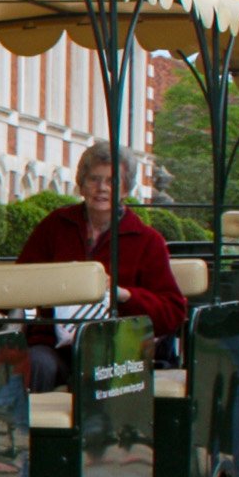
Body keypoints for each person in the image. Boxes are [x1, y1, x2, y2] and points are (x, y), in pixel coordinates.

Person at [14, 142, 188, 391]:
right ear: (82, 184)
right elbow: (20, 281)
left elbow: (173, 313)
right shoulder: (55, 226)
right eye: (94, 179)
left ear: (126, 188)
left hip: (117, 349)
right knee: (36, 363)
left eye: (112, 181)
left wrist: (124, 295)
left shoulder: (147, 240)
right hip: (55, 346)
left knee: (102, 375)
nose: (102, 188)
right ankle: (35, 430)